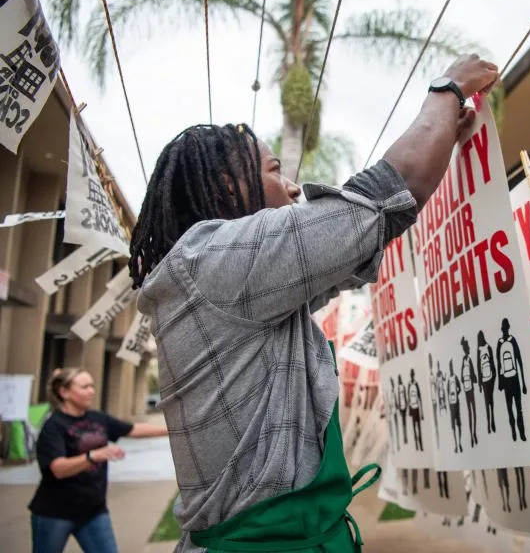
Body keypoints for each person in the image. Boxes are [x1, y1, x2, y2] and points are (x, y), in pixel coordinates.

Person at [129, 54, 499, 550]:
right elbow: (392, 191)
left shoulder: (222, 279)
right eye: (274, 170)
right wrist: (447, 87)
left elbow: (370, 230)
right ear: (225, 185)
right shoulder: (213, 261)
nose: (294, 187)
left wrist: (442, 134)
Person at [29, 368, 168, 553]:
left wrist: (173, 429)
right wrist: (93, 456)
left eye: (92, 386)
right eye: (85, 387)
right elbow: (58, 469)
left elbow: (133, 429)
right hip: (55, 513)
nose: (91, 391)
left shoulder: (97, 418)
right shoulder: (53, 426)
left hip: (93, 511)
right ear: (64, 392)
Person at [496, 318, 527, 441]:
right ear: (507, 328)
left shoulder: (502, 342)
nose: (505, 330)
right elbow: (518, 362)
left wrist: (500, 382)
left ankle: (518, 432)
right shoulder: (511, 340)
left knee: (515, 409)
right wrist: (523, 382)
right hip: (513, 379)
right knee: (515, 409)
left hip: (509, 379)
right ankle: (517, 432)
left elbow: (500, 364)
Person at [476, 330, 497, 434]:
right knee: (487, 401)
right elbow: (478, 367)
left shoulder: (487, 347)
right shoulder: (480, 349)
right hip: (485, 379)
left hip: (489, 378)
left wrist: (494, 376)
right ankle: (489, 423)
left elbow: (492, 362)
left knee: (490, 401)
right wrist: (480, 383)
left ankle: (492, 420)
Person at [460, 337, 478, 447]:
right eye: (468, 347)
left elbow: (462, 377)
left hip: (467, 390)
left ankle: (473, 434)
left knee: (470, 413)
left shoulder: (463, 360)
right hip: (470, 390)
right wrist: (475, 379)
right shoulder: (468, 360)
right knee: (473, 412)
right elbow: (474, 375)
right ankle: (473, 434)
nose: (469, 348)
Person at [447, 360, 463, 453]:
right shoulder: (449, 380)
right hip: (451, 405)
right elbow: (447, 392)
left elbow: (459, 388)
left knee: (459, 424)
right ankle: (456, 444)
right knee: (453, 426)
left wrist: (456, 392)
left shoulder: (455, 377)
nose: (451, 369)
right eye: (450, 367)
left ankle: (460, 443)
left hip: (456, 404)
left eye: (452, 367)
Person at [408, 369, 424, 451]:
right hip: (413, 409)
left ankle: (421, 445)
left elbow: (420, 398)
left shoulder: (416, 384)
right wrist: (410, 412)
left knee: (419, 427)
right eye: (411, 375)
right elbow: (408, 399)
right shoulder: (409, 385)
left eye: (412, 374)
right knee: (414, 427)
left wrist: (422, 413)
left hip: (417, 408)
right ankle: (416, 445)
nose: (412, 376)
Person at [429, 354, 439, 446]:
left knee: (436, 418)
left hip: (434, 398)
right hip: (432, 399)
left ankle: (437, 432)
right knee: (435, 418)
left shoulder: (432, 373)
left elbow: (436, 385)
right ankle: (436, 432)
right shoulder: (429, 373)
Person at [397, 374, 409, 446]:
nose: (399, 380)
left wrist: (406, 404)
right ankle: (404, 437)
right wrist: (399, 407)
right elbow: (399, 397)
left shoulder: (403, 387)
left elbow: (405, 395)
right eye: (399, 379)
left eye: (399, 379)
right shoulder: (398, 388)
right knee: (403, 422)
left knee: (404, 422)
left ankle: (406, 437)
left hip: (404, 406)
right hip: (401, 407)